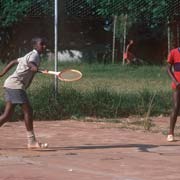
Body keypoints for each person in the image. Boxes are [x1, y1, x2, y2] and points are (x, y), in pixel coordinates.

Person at [0, 37, 48, 149]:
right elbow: (31, 64)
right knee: (28, 111)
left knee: (7, 115)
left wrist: (2, 73)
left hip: (11, 84)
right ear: (35, 46)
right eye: (42, 44)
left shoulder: (28, 54)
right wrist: (34, 67)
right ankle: (31, 142)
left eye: (45, 44)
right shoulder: (34, 55)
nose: (44, 46)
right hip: (15, 85)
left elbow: (13, 61)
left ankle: (31, 142)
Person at [167, 47, 180, 142]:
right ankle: (170, 133)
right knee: (176, 107)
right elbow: (168, 69)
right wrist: (175, 81)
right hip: (177, 85)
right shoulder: (174, 52)